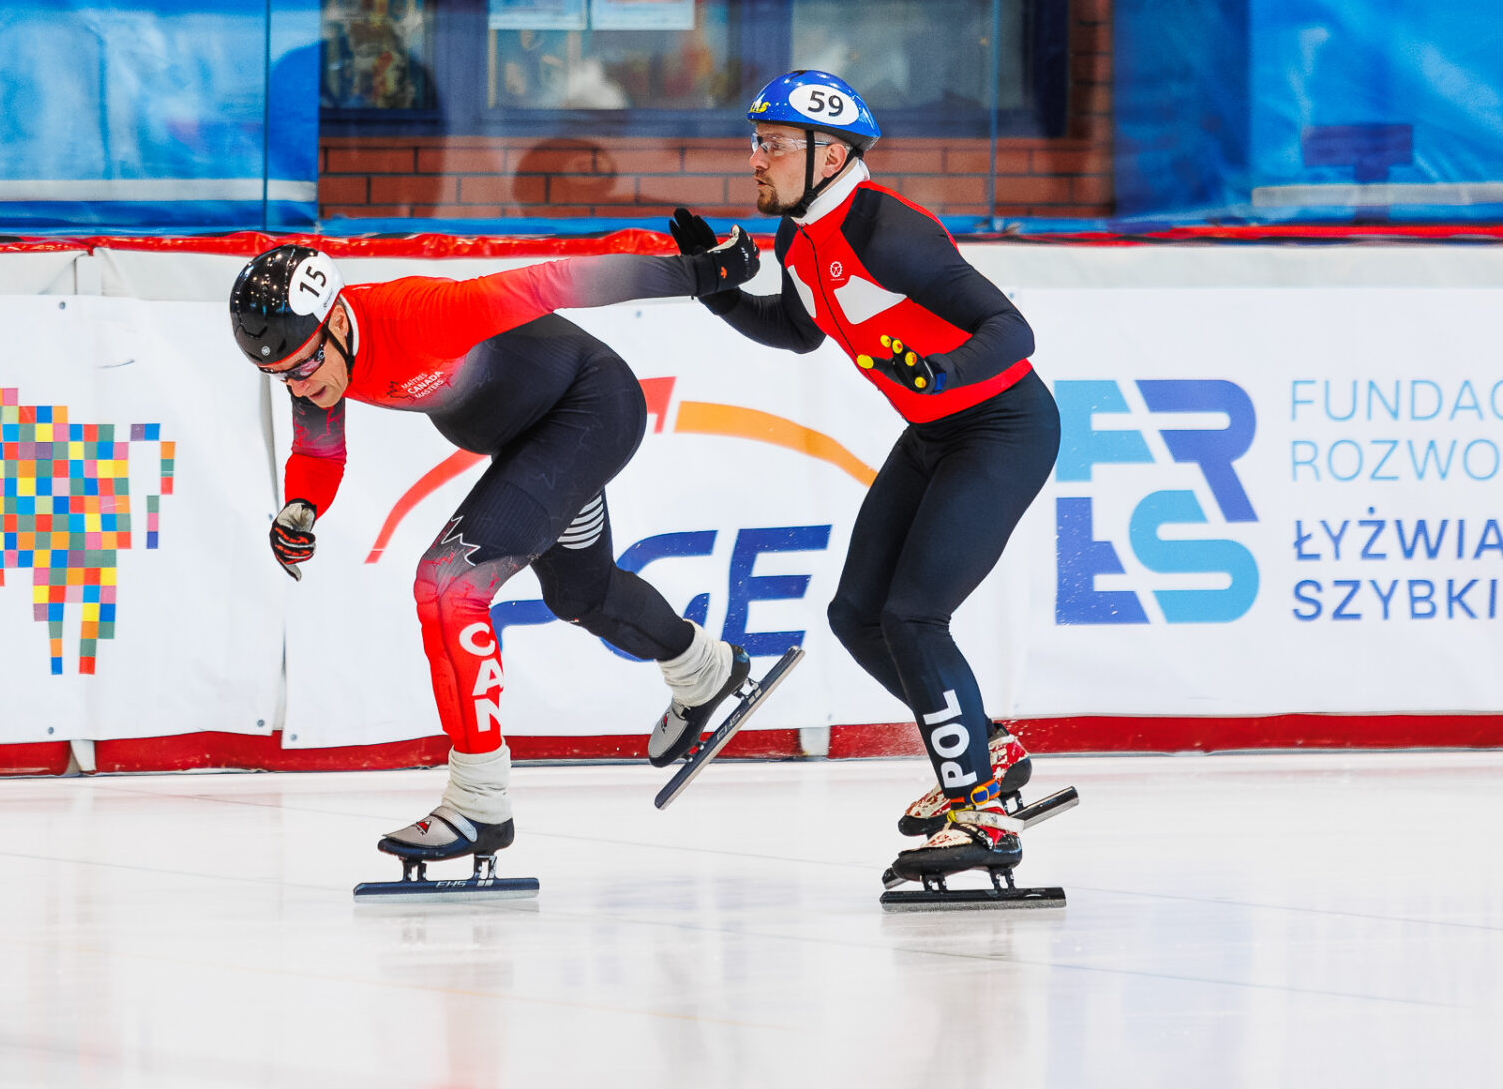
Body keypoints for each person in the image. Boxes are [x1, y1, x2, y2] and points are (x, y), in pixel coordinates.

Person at [231, 239, 761, 870]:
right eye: (280, 375)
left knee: (447, 582)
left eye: (305, 366)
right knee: (581, 595)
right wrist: (302, 506)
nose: (299, 385)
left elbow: (558, 281)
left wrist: (698, 273)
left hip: (590, 410)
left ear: (338, 321)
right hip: (534, 442)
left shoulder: (421, 314)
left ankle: (478, 801)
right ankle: (703, 667)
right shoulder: (314, 355)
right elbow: (319, 452)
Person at [669, 69, 1060, 882]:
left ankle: (982, 810)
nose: (756, 159)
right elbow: (798, 330)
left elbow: (1010, 328)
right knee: (857, 616)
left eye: (773, 144)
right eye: (755, 141)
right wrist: (718, 289)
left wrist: (942, 371)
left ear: (830, 154)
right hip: (935, 433)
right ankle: (985, 750)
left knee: (914, 615)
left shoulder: (887, 231)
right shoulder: (797, 239)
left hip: (1002, 429)